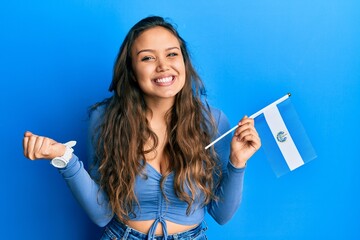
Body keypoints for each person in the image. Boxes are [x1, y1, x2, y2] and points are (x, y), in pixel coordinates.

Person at [22, 16, 261, 240]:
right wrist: (64, 158)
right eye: (148, 58)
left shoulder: (212, 122)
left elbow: (221, 215)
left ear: (184, 62)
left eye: (172, 54)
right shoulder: (105, 119)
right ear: (132, 70)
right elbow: (101, 213)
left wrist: (237, 163)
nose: (163, 66)